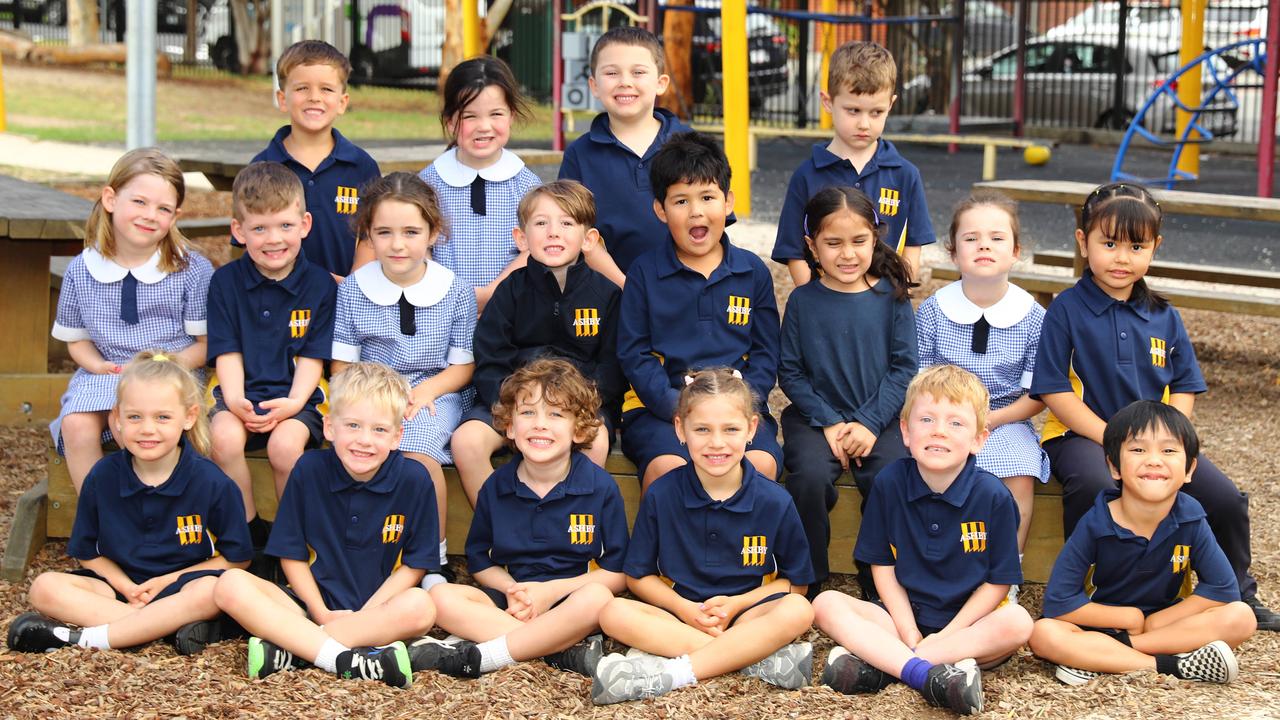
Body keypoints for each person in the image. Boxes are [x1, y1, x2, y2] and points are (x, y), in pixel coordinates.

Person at [1029, 182, 1278, 630]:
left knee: (1224, 498)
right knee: (1090, 486)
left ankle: (1238, 592)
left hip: (1155, 439)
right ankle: (1090, 599)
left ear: (1155, 248)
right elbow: (1054, 391)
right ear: (1083, 243)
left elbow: (1183, 384)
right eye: (1108, 244)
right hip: (1083, 436)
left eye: (1136, 246)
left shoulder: (1165, 315)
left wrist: (1171, 442)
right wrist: (1111, 439)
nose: (1121, 258)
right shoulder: (1065, 310)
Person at [212, 362, 463, 688]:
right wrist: (320, 612)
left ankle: (297, 650)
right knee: (230, 584)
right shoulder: (308, 469)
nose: (365, 440)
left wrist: (366, 616)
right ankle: (343, 657)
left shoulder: (414, 480)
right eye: (353, 425)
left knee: (421, 607)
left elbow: (415, 566)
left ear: (397, 436)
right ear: (330, 428)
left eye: (379, 430)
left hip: (379, 610)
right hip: (307, 605)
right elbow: (292, 555)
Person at [813, 365, 1033, 716]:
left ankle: (890, 665)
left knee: (1019, 623)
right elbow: (881, 565)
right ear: (905, 430)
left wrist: (945, 637)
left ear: (979, 439)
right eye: (926, 419)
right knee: (825, 604)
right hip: (902, 622)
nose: (939, 432)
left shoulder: (993, 497)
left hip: (968, 628)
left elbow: (998, 583)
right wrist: (909, 630)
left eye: (956, 423)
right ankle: (931, 673)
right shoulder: (889, 483)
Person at [591, 369, 815, 705]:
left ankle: (672, 673)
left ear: (752, 429)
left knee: (798, 609)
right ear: (680, 429)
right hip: (680, 615)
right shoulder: (662, 494)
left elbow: (796, 584)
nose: (717, 443)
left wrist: (737, 604)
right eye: (702, 430)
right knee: (612, 613)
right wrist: (685, 609)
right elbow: (637, 577)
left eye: (731, 429)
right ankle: (754, 661)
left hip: (746, 616)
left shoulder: (774, 500)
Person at [9, 351, 251, 656]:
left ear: (189, 417)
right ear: (117, 419)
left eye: (162, 417)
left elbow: (237, 558)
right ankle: (166, 629)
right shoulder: (102, 476)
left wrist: (168, 580)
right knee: (44, 587)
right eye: (134, 416)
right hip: (118, 590)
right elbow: (87, 553)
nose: (147, 429)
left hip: (181, 588)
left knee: (212, 590)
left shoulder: (211, 481)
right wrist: (126, 587)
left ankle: (91, 637)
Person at [1030, 401, 1257, 686]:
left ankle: (1104, 659)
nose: (1154, 460)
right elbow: (1060, 603)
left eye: (1169, 450)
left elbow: (1222, 589)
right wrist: (1129, 617)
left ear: (1189, 469)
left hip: (1167, 625)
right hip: (1102, 624)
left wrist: (1156, 622)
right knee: (1043, 634)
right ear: (1114, 466)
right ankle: (1174, 665)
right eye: (1138, 450)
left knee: (1242, 617)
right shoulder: (1097, 522)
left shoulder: (1191, 517)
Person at [428, 359, 628, 677]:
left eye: (556, 414)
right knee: (439, 597)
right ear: (509, 426)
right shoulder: (497, 486)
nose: (540, 424)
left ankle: (493, 652)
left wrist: (549, 594)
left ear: (578, 429)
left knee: (599, 599)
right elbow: (480, 562)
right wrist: (512, 590)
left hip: (570, 600)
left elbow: (617, 573)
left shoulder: (599, 487)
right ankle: (558, 651)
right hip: (513, 600)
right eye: (528, 412)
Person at [331, 172, 475, 587]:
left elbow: (462, 367)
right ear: (368, 235)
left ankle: (433, 558)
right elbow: (342, 366)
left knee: (418, 456)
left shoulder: (455, 291)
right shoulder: (354, 290)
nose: (397, 244)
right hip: (370, 390)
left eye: (411, 232)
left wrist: (425, 391)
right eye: (384, 232)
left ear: (433, 232)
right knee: (361, 443)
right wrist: (375, 399)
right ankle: (361, 550)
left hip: (436, 391)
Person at [616, 131, 782, 491]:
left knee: (760, 465)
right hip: (662, 411)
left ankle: (743, 547)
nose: (696, 212)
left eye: (707, 197)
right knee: (668, 470)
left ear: (728, 202)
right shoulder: (644, 273)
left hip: (738, 410)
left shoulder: (752, 272)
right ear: (660, 210)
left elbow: (768, 355)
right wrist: (677, 406)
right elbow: (634, 353)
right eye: (680, 201)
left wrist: (739, 404)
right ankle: (665, 549)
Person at [778, 186, 916, 600]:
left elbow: (904, 368)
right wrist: (831, 423)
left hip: (882, 416)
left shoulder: (891, 297)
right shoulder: (803, 301)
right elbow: (791, 371)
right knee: (809, 478)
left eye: (858, 241)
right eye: (832, 243)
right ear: (811, 247)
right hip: (815, 418)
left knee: (893, 477)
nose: (847, 254)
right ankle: (809, 576)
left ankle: (878, 576)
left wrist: (870, 423)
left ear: (876, 238)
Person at [51, 148, 213, 493]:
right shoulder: (82, 270)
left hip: (173, 369)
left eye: (163, 209)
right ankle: (101, 518)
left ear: (175, 216)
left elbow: (205, 344)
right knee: (77, 423)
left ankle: (161, 509)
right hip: (109, 371)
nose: (150, 215)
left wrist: (164, 366)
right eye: (139, 202)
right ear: (110, 198)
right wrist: (97, 365)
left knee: (150, 425)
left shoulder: (191, 270)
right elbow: (76, 340)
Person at [452, 180, 623, 506]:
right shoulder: (510, 291)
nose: (553, 232)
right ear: (521, 237)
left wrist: (582, 404)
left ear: (589, 239)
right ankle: (506, 529)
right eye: (541, 223)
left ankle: (568, 532)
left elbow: (613, 365)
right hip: (513, 404)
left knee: (596, 440)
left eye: (566, 223)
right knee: (466, 441)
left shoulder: (607, 296)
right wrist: (512, 406)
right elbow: (490, 356)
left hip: (581, 406)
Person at [915, 192, 1049, 565]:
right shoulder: (934, 310)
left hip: (1005, 419)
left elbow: (1037, 392)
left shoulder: (1034, 316)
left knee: (1019, 474)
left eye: (996, 237)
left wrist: (987, 420)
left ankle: (1007, 569)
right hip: (942, 414)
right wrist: (950, 420)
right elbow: (919, 379)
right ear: (954, 252)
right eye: (971, 238)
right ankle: (937, 563)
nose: (984, 245)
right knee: (933, 467)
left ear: (1016, 250)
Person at [207, 162, 335, 544]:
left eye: (284, 226)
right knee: (223, 439)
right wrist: (235, 400)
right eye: (259, 228)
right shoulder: (225, 283)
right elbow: (227, 352)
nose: (273, 239)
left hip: (300, 395)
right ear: (238, 231)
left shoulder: (320, 285)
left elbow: (314, 357)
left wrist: (294, 403)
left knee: (283, 447)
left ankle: (293, 539)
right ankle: (249, 532)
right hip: (239, 391)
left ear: (305, 225)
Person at [770, 40, 934, 286]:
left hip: (884, 309)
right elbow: (794, 252)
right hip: (825, 312)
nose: (864, 124)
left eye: (876, 112)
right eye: (853, 111)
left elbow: (913, 246)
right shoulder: (806, 175)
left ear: (890, 104)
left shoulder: (906, 174)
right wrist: (816, 301)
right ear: (828, 102)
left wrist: (893, 296)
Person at [559, 26, 692, 286]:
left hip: (683, 288)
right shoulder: (580, 154)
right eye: (611, 73)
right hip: (607, 291)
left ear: (661, 83)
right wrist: (626, 288)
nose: (625, 82)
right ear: (594, 85)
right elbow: (578, 233)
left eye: (638, 72)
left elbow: (708, 226)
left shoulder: (691, 146)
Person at [419, 55, 541, 313]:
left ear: (511, 116)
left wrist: (490, 294)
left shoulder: (528, 185)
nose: (484, 126)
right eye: (470, 116)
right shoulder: (426, 184)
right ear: (451, 121)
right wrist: (454, 293)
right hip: (441, 313)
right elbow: (419, 248)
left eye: (496, 114)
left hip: (510, 313)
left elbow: (536, 248)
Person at [252, 40, 381, 279]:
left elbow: (370, 236)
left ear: (342, 102)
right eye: (302, 88)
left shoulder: (362, 166)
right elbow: (250, 239)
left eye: (326, 89)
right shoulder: (262, 168)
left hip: (341, 300)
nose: (314, 97)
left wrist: (352, 288)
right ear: (282, 99)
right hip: (280, 300)